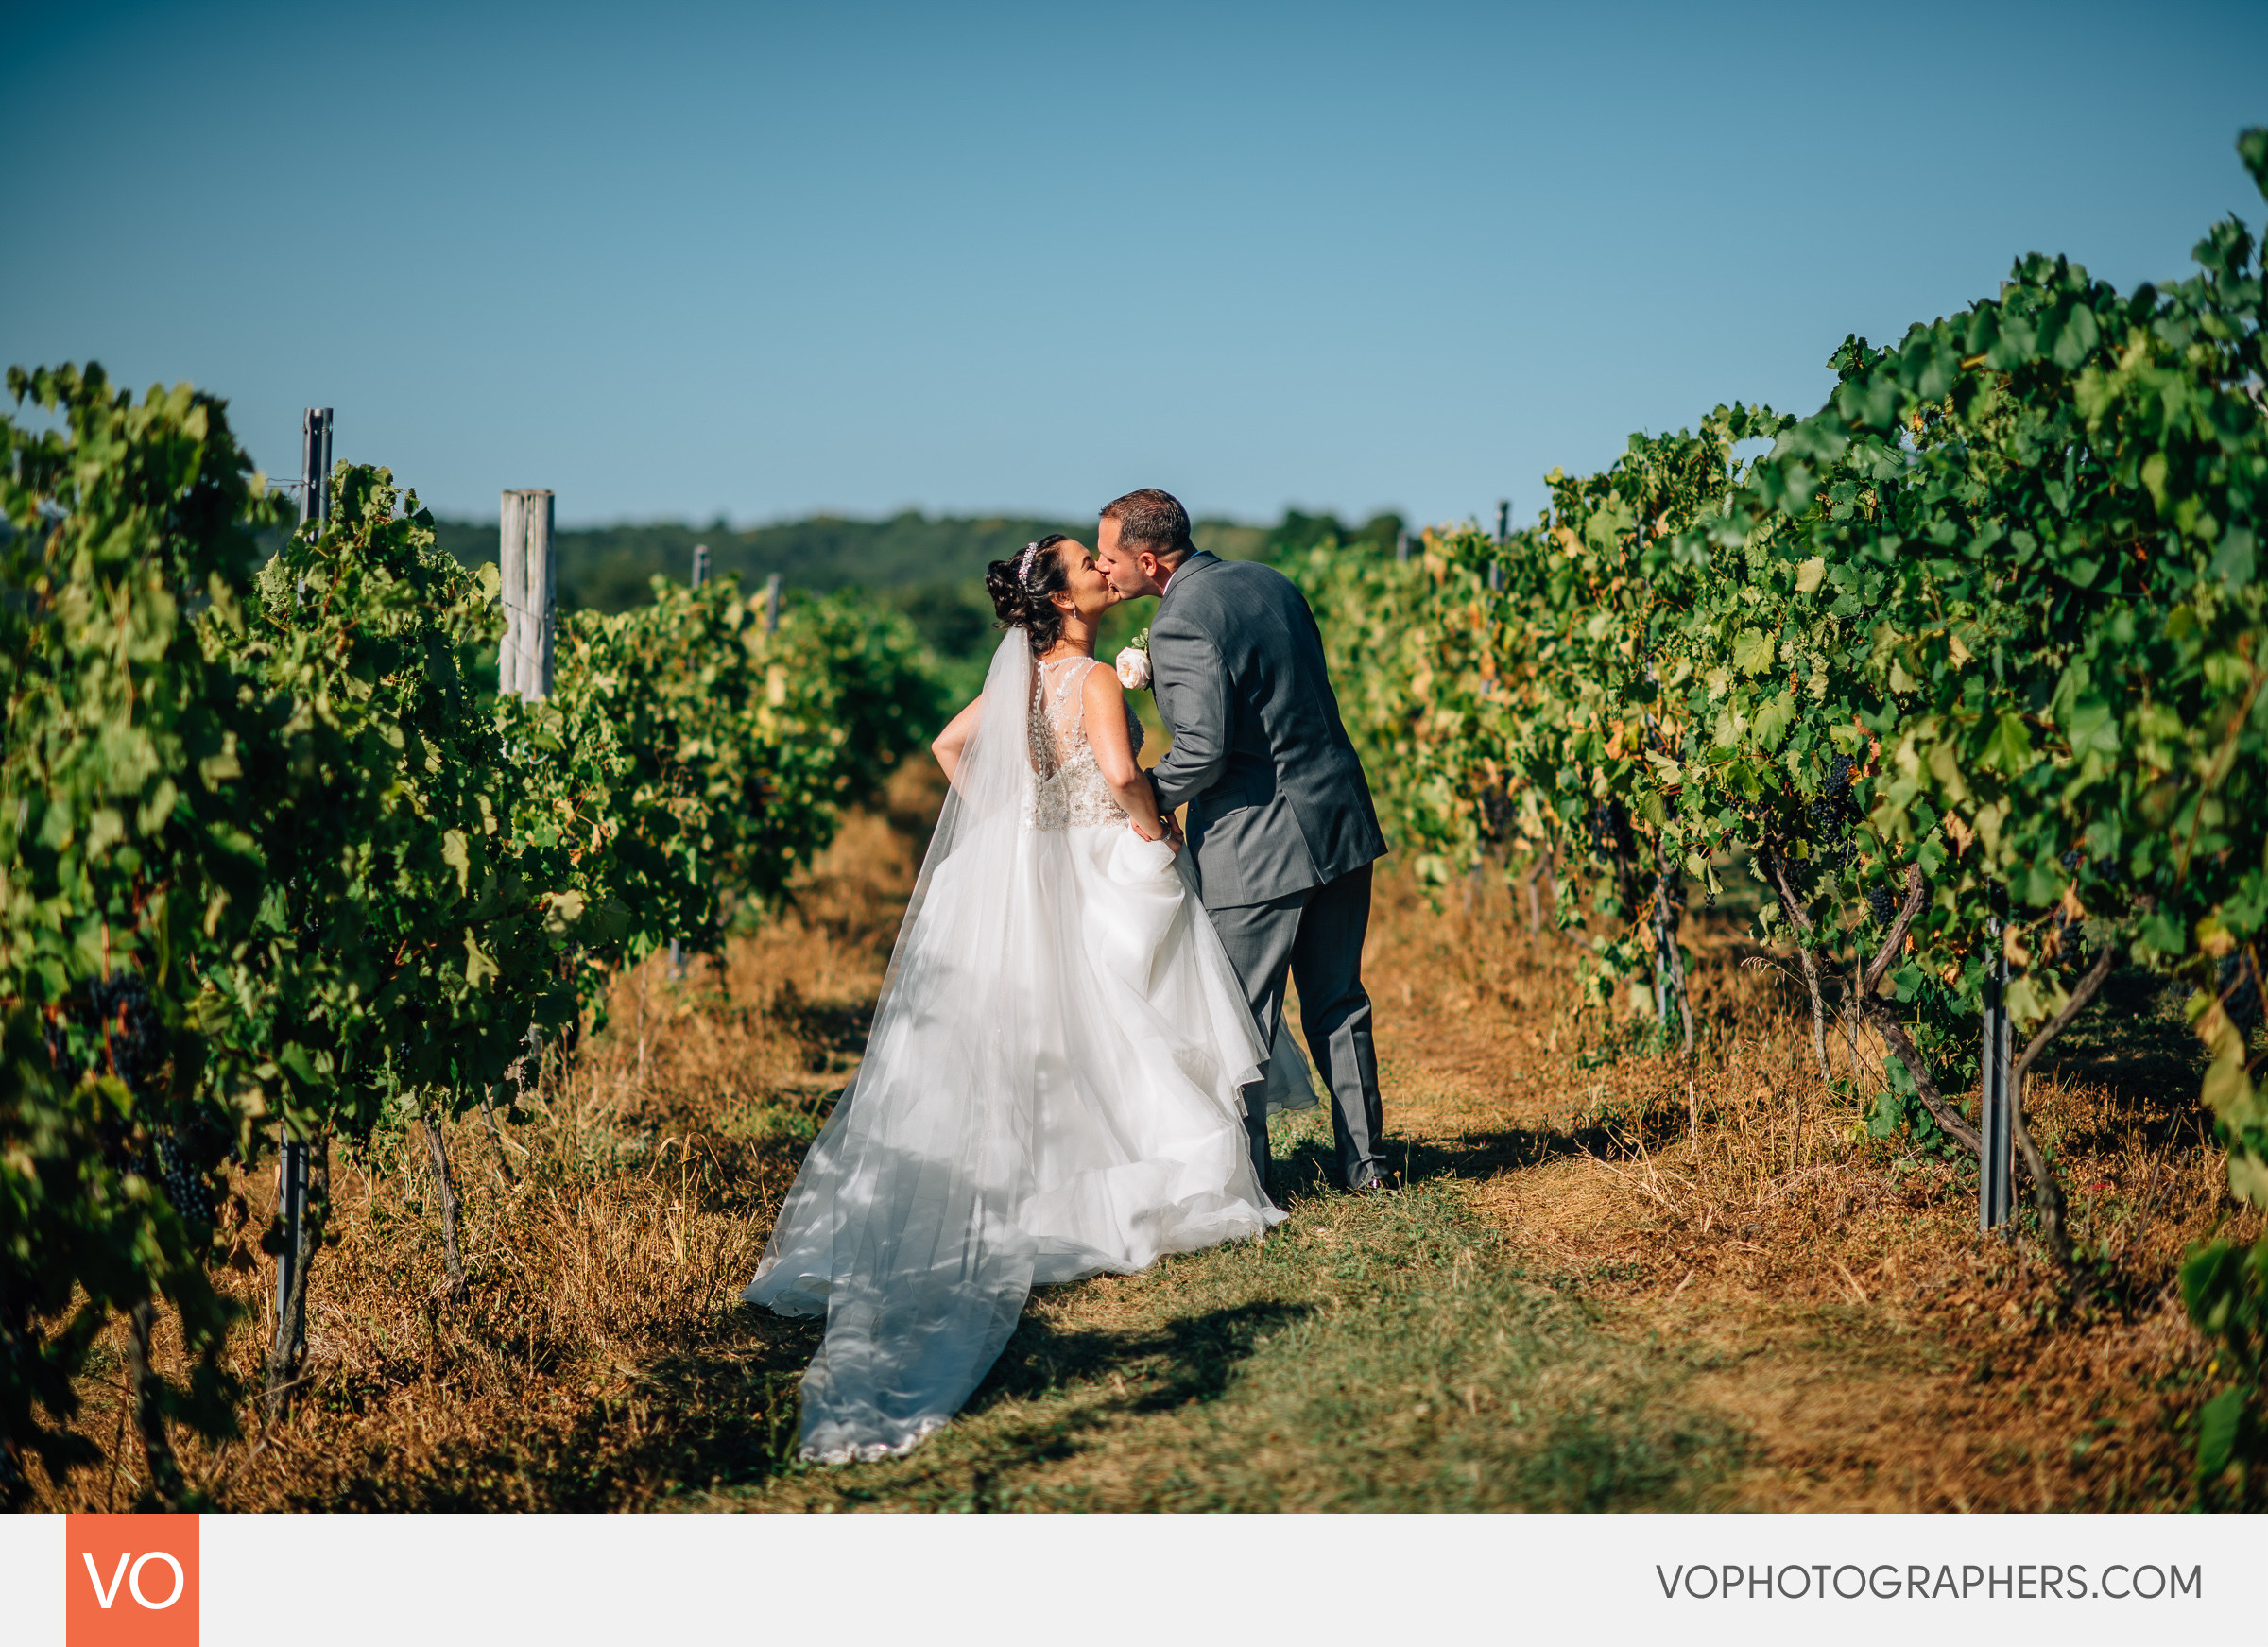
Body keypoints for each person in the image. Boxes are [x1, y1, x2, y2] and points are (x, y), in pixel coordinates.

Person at [743, 533, 1284, 1464]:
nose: (1099, 569)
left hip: (1016, 859)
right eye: (1085, 562)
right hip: (1087, 864)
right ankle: (1101, 1184)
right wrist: (1155, 835)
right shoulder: (1094, 680)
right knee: (1108, 1023)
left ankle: (1022, 1186)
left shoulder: (1019, 678)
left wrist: (1009, 815)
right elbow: (1119, 776)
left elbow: (948, 745)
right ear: (1066, 598)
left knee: (1029, 1031)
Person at [1093, 489, 1391, 1195]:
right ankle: (1368, 1166)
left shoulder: (1180, 622)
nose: (1104, 571)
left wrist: (1139, 803)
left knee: (1242, 1017)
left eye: (1109, 558)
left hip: (1258, 844)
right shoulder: (1271, 582)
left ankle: (1250, 1182)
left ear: (1146, 559)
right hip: (1339, 818)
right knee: (1339, 1001)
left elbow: (1202, 753)